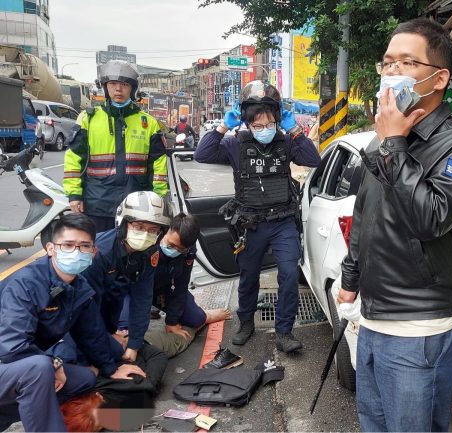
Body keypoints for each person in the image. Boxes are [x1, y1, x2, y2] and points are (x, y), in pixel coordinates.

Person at [337, 18, 452, 432]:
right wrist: (351, 278)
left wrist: (394, 145)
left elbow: (431, 219)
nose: (392, 72)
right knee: (373, 420)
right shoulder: (382, 139)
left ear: (440, 79)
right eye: (388, 63)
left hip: (420, 323)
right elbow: (366, 214)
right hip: (374, 314)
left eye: (407, 62)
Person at [195, 80, 320, 352]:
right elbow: (202, 154)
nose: (264, 129)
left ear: (278, 119)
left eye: (270, 123)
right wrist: (223, 126)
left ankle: (284, 332)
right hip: (250, 224)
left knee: (289, 274)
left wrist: (295, 130)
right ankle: (246, 323)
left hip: (282, 222)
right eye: (258, 124)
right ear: (247, 122)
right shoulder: (235, 144)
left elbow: (314, 160)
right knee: (248, 276)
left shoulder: (286, 142)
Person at [0, 214, 145, 432]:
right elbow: (12, 347)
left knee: (84, 379)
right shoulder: (25, 284)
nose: (76, 252)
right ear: (51, 248)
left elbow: (91, 334)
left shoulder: (80, 288)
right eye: (68, 245)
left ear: (93, 252)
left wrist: (111, 368)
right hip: (9, 360)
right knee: (39, 370)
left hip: (17, 368)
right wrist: (54, 364)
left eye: (84, 246)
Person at [63, 60, 169, 233]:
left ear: (132, 89)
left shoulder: (148, 123)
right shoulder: (88, 118)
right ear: (105, 87)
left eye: (124, 84)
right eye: (113, 83)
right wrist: (74, 195)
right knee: (99, 247)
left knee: (134, 248)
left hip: (137, 203)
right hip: (97, 203)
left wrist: (159, 197)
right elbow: (73, 159)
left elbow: (158, 164)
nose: (118, 89)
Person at [121, 213, 232, 357]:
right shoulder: (149, 242)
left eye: (181, 249)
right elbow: (137, 289)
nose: (175, 251)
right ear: (167, 230)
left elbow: (181, 285)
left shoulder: (188, 251)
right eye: (171, 245)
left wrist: (172, 322)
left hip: (162, 289)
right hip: (132, 289)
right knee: (124, 330)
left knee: (197, 319)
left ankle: (206, 315)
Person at [82, 190, 171, 363]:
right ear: (122, 224)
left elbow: (143, 298)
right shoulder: (100, 253)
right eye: (139, 227)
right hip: (84, 309)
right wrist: (107, 336)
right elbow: (86, 306)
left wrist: (134, 344)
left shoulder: (149, 252)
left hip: (115, 302)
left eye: (153, 230)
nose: (145, 234)